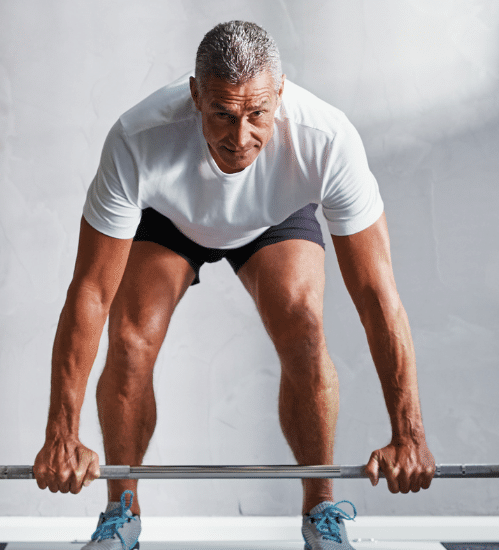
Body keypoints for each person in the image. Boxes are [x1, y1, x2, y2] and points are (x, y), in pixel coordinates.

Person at [33, 20, 436, 550]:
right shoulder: (138, 139)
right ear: (195, 94)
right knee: (130, 341)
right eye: (222, 114)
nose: (240, 137)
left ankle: (320, 509)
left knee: (305, 329)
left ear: (281, 93)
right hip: (170, 220)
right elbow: (90, 292)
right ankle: (121, 509)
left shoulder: (326, 139)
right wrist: (61, 433)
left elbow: (377, 296)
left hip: (272, 220)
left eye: (257, 114)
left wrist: (409, 432)